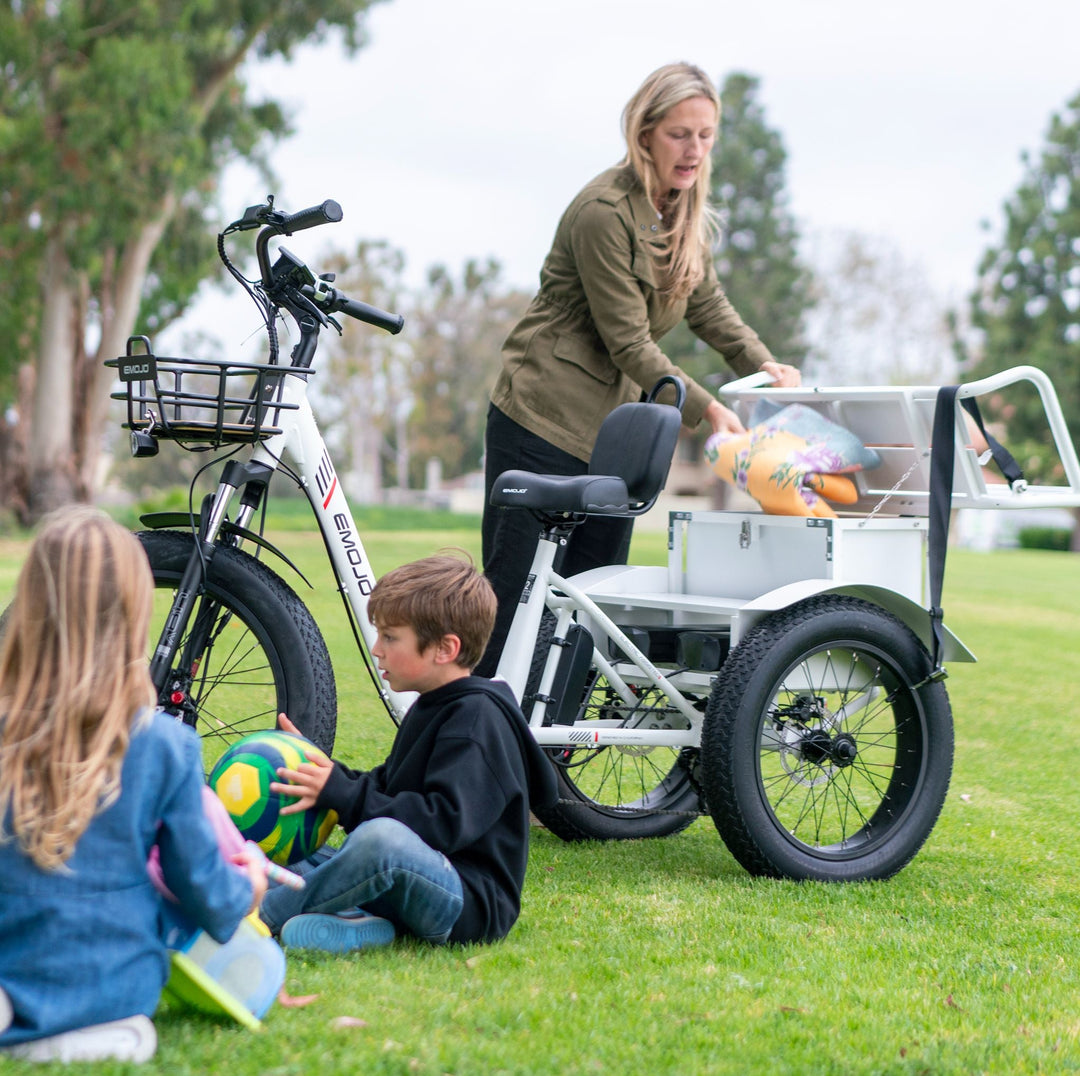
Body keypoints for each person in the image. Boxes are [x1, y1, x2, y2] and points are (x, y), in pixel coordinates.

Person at [477, 61, 802, 676]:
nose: (695, 150)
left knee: (592, 604)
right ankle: (474, 745)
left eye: (706, 136)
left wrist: (764, 364)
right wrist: (707, 410)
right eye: (681, 134)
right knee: (517, 597)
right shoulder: (604, 211)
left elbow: (707, 304)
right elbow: (629, 342)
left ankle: (553, 756)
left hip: (611, 433)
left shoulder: (680, 214)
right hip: (542, 418)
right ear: (645, 131)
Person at [0, 507, 265, 1064]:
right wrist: (249, 888)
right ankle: (83, 1028)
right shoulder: (165, 746)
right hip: (115, 992)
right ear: (132, 614)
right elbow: (199, 884)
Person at [258, 552, 558, 952]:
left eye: (390, 637)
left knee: (380, 842)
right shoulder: (431, 704)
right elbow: (387, 789)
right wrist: (326, 774)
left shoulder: (477, 720)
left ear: (444, 649)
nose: (377, 649)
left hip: (464, 902)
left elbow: (441, 826)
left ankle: (260, 919)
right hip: (412, 879)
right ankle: (359, 923)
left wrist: (343, 794)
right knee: (279, 845)